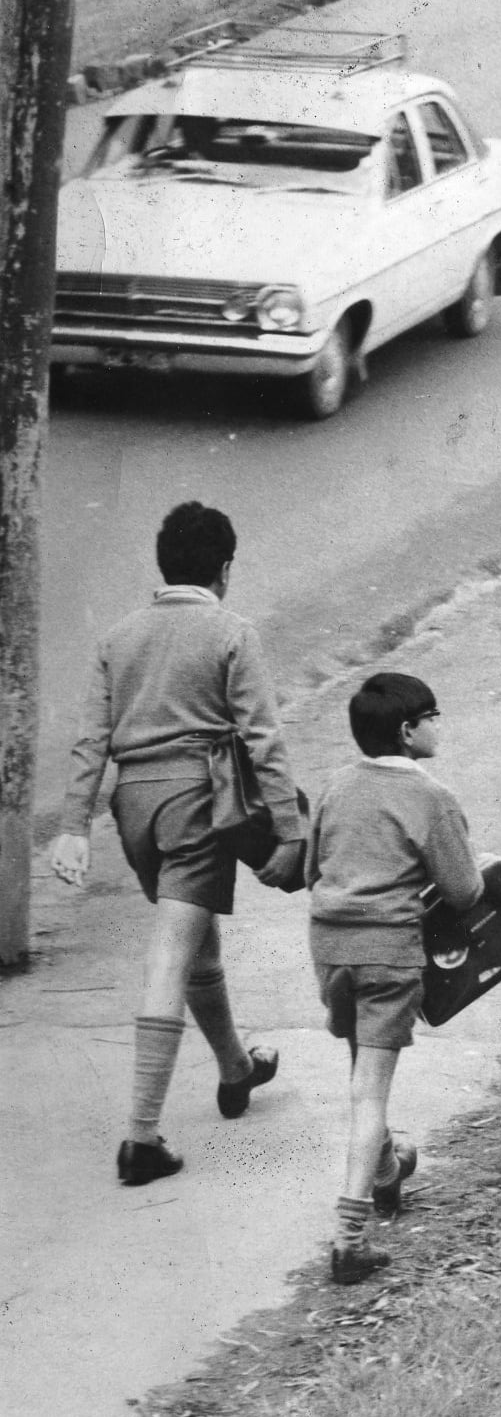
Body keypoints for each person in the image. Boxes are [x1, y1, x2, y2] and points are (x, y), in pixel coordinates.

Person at [48, 501, 305, 1187]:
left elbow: (90, 742)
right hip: (198, 803)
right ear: (225, 569)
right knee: (171, 955)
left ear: (163, 566)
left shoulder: (118, 636)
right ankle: (141, 1141)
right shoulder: (232, 632)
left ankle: (236, 1069)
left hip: (135, 808)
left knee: (192, 940)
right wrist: (290, 828)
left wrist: (74, 827)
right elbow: (263, 739)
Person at [304, 671, 485, 1284]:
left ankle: (386, 1170)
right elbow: (464, 891)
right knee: (370, 1094)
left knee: (362, 1068)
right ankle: (350, 1240)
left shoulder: (336, 786)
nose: (438, 726)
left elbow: (311, 869)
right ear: (408, 731)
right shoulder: (431, 797)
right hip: (389, 952)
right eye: (432, 716)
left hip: (330, 947)